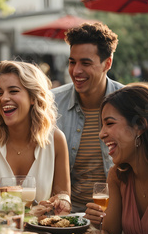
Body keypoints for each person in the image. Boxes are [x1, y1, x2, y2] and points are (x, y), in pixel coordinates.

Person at [0, 60, 71, 211]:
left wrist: (62, 202)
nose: (4, 98)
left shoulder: (56, 139)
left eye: (13, 91)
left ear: (33, 97)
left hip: (38, 233)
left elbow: (62, 197)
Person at [52, 22, 123, 213]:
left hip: (116, 216)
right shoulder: (51, 103)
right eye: (72, 62)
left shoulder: (128, 104)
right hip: (65, 216)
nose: (76, 71)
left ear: (107, 63)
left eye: (85, 63)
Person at [85, 83, 148, 234]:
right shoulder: (117, 176)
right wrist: (93, 229)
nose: (101, 134)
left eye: (109, 123)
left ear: (140, 126)